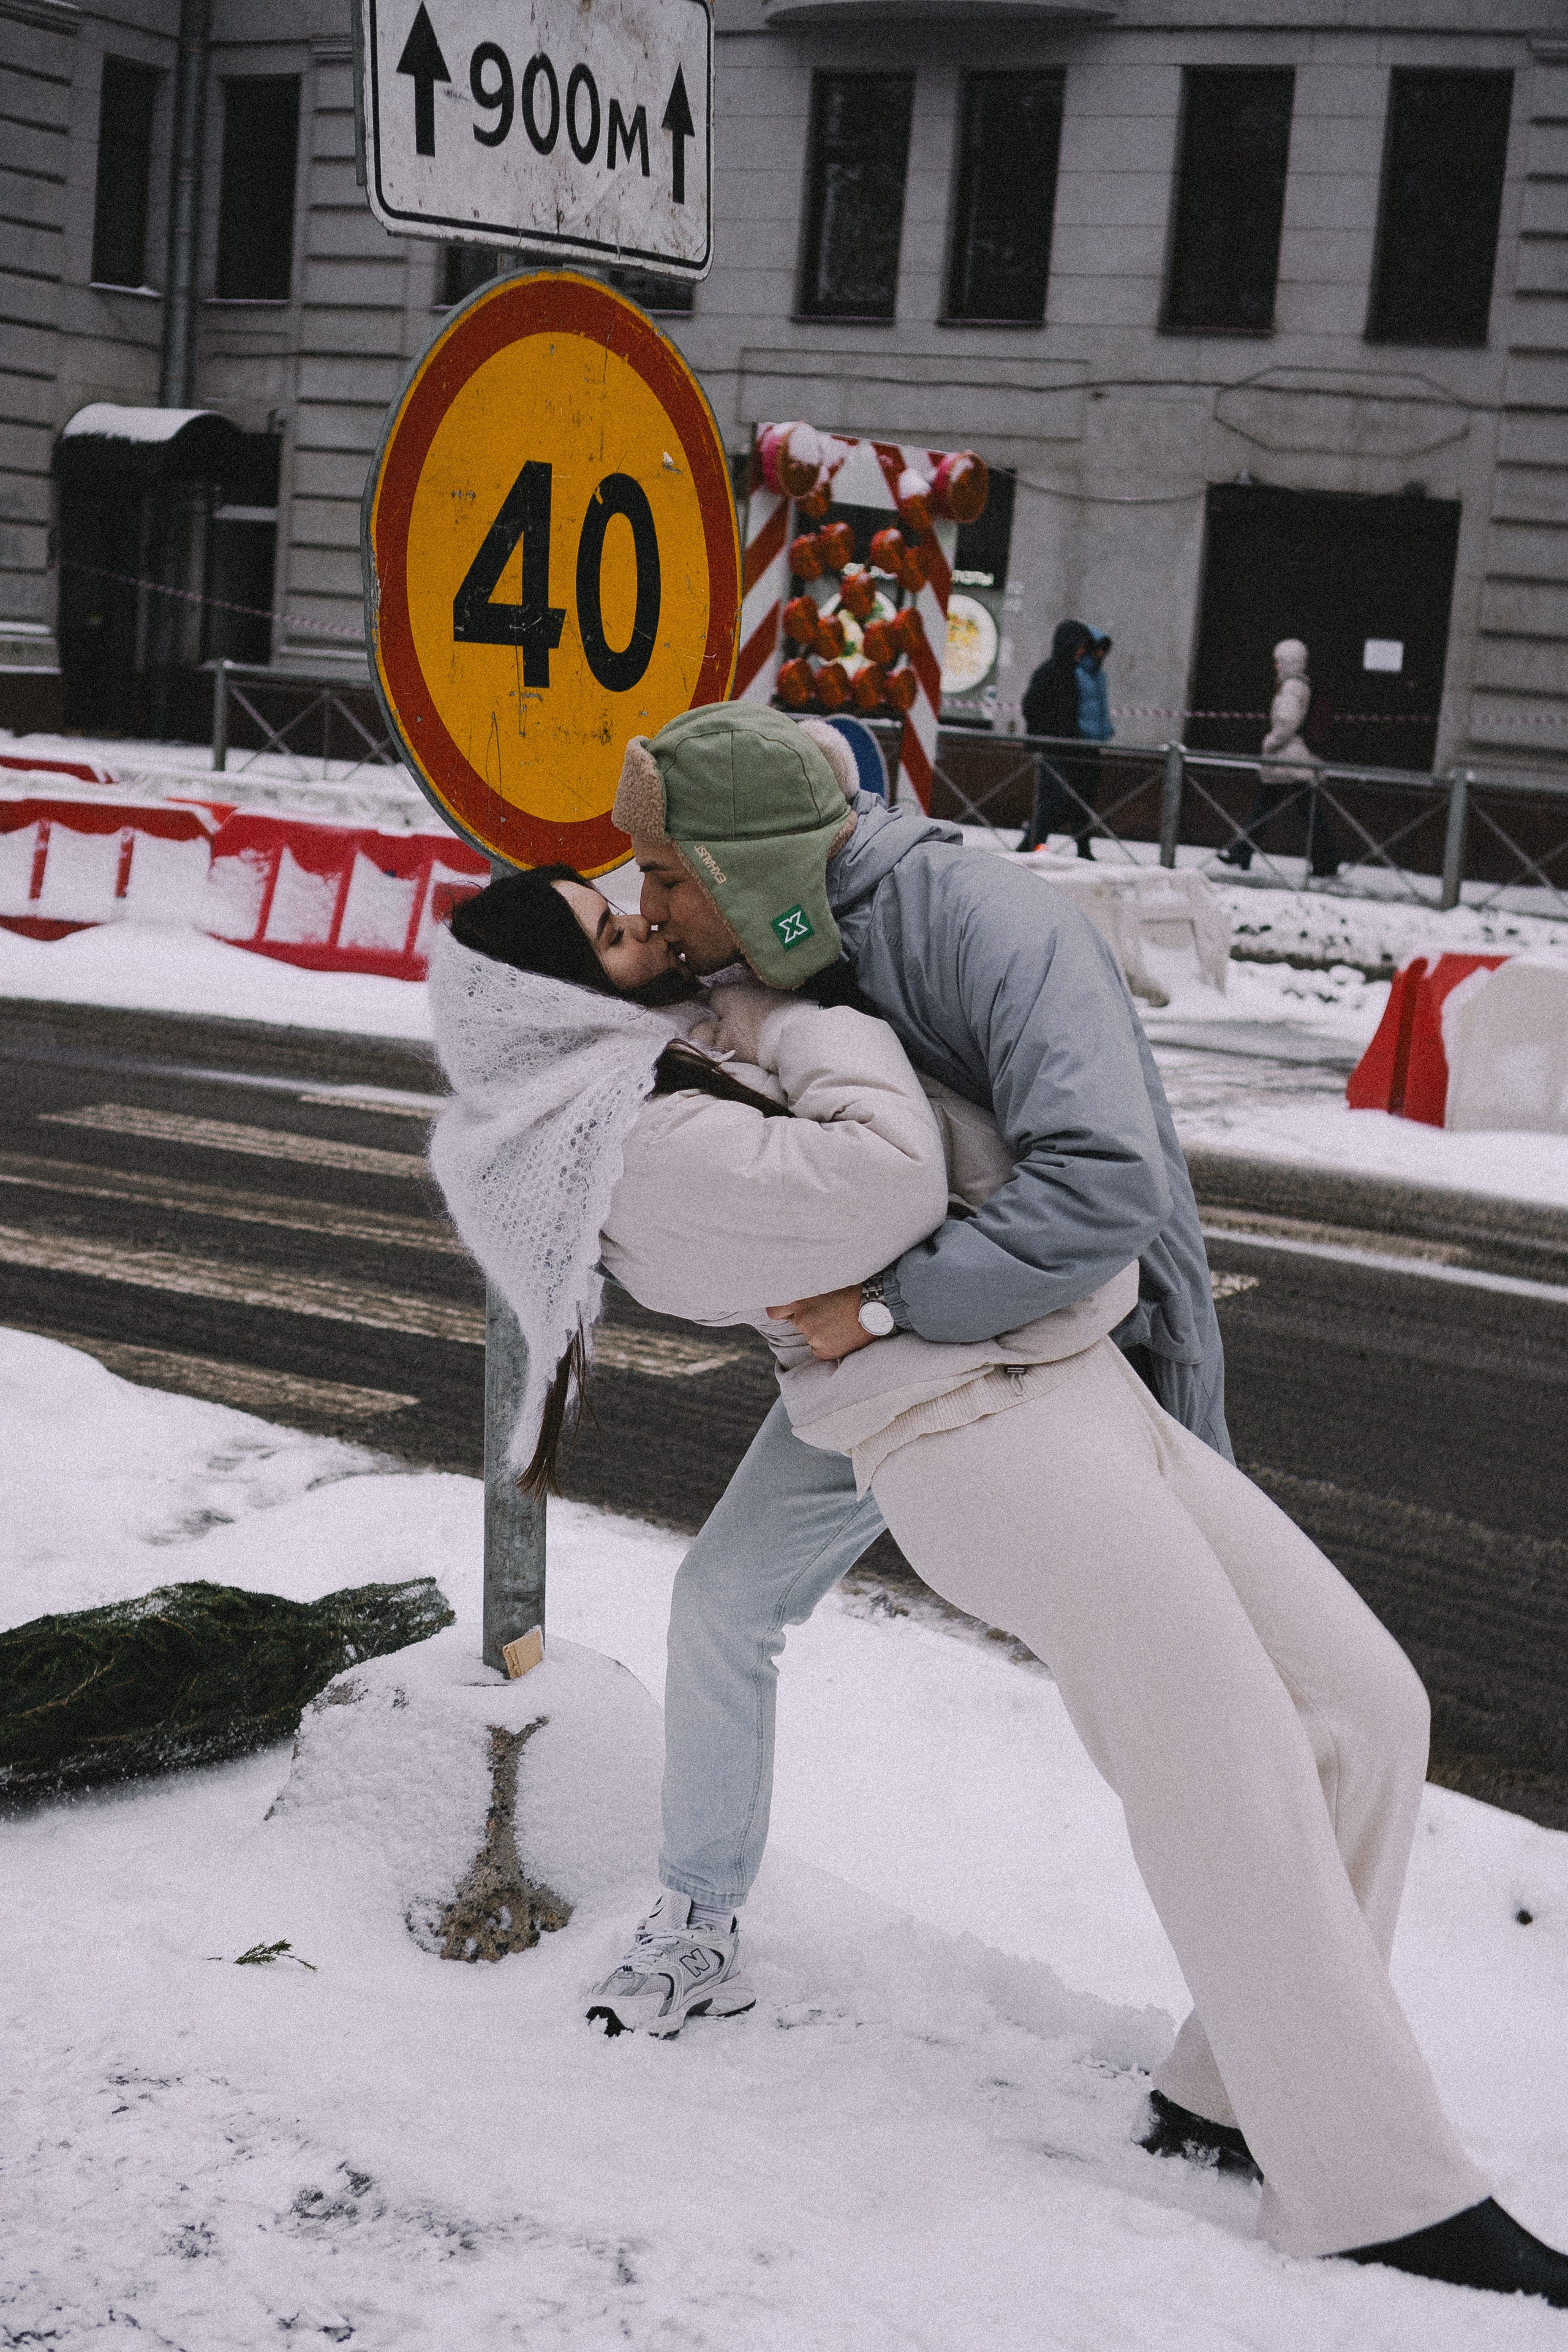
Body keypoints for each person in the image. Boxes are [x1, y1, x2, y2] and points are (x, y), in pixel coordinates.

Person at [428, 843, 1568, 2305]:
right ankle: (1373, 2188)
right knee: (1224, 1763)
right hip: (971, 1439)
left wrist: (747, 1012)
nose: (645, 916)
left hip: (1073, 1380)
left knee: (1363, 1707)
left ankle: (1225, 2093)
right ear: (559, 994)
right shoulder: (639, 1154)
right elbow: (889, 1176)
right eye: (610, 925)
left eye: (636, 896)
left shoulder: (680, 1057)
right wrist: (787, 1012)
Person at [1218, 638, 1341, 880]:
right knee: (1294, 811)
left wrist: (1269, 743)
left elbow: (1286, 722)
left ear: (1286, 662)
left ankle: (1242, 852)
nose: (1275, 666)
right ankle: (1325, 861)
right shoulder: (1302, 685)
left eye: (1278, 661)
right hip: (1293, 762)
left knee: (1275, 809)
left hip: (1288, 761)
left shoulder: (1292, 687)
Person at [1017, 619, 1097, 854]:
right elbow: (1031, 706)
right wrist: (1050, 733)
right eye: (1080, 646)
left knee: (1070, 797)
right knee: (1055, 797)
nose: (1083, 652)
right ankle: (1030, 844)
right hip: (1051, 747)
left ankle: (1042, 843)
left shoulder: (1071, 674)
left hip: (1067, 747)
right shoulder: (1050, 672)